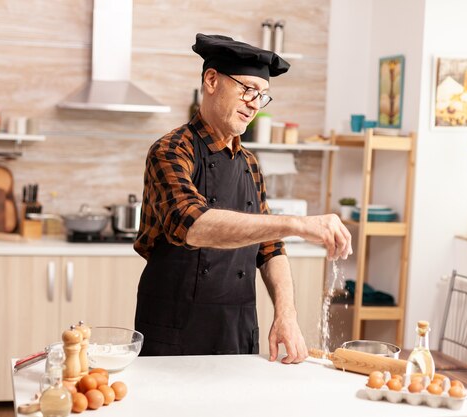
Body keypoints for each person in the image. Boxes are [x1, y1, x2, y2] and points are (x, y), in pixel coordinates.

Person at [133, 33, 352, 364]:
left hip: (238, 330)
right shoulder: (171, 150)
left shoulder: (250, 163)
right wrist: (297, 223)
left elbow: (270, 248)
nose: (254, 103)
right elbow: (191, 222)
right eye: (248, 89)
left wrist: (286, 314)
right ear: (211, 80)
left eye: (262, 96)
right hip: (175, 333)